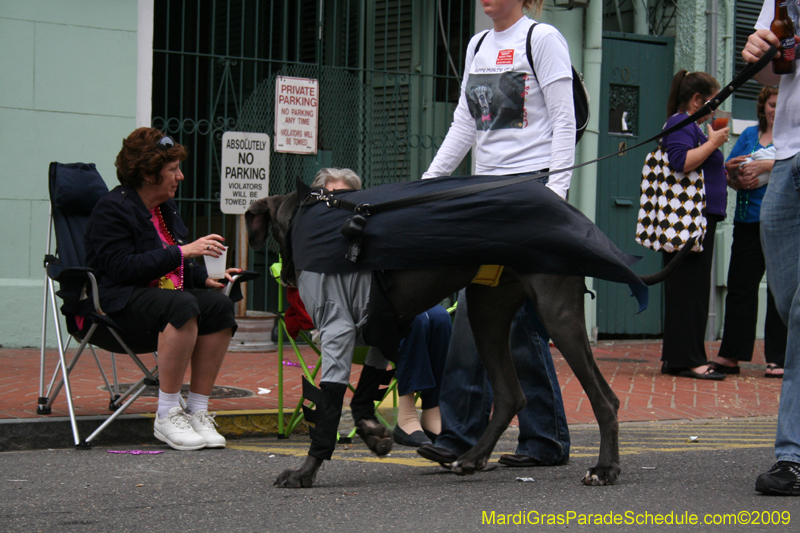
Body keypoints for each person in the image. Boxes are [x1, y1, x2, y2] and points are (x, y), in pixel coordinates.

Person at [416, 0, 571, 469]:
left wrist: (556, 193)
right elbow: (465, 123)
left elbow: (564, 119)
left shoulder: (542, 39)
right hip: (485, 193)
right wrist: (430, 181)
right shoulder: (478, 43)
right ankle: (527, 439)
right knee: (494, 314)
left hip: (529, 192)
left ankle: (485, 437)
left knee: (500, 316)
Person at [85, 127, 241, 451]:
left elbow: (171, 260)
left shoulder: (164, 210)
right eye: (173, 170)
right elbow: (122, 268)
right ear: (147, 173)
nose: (180, 176)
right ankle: (167, 412)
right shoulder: (112, 209)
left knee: (220, 308)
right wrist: (186, 252)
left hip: (161, 297)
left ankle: (197, 410)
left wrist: (204, 277)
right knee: (181, 306)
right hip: (118, 303)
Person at [307, 168, 450, 448]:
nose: (338, 204)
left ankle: (433, 409)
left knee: (440, 316)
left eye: (347, 198)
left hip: (378, 316)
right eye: (332, 197)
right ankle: (407, 416)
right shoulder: (313, 239)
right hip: (345, 323)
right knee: (413, 318)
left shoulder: (364, 227)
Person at [743, 0, 800, 496]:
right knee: (787, 303)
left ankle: (793, 455)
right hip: (787, 156)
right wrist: (757, 54)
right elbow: (778, 75)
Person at [710, 86, 787, 378]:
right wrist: (735, 176)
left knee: (780, 291)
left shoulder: (793, 138)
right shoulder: (748, 136)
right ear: (762, 105)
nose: (776, 110)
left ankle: (777, 358)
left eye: (781, 104)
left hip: (781, 221)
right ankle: (731, 355)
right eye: (771, 104)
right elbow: (731, 178)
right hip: (746, 221)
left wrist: (767, 164)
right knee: (740, 287)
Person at [658, 70, 729, 381]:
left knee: (692, 288)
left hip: (699, 216)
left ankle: (679, 358)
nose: (714, 110)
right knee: (689, 289)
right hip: (689, 219)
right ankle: (688, 359)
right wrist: (713, 143)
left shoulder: (690, 127)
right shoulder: (680, 123)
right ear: (697, 100)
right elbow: (681, 162)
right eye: (711, 103)